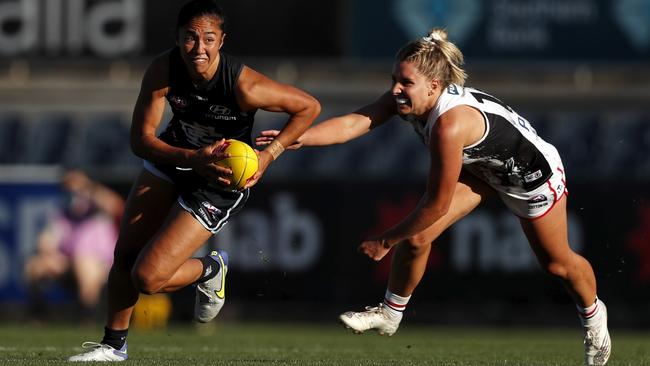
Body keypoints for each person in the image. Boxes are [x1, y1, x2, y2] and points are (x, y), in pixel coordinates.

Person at [257, 28, 610, 366]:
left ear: (434, 87)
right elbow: (355, 122)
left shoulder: (449, 126)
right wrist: (295, 139)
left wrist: (385, 240)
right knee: (418, 238)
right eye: (394, 79)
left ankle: (594, 317)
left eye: (405, 83)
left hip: (530, 177)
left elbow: (436, 204)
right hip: (484, 168)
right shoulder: (411, 99)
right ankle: (390, 315)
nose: (395, 89)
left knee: (557, 264)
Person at [67, 0, 320, 362]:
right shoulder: (162, 69)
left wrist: (269, 155)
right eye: (190, 38)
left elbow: (309, 106)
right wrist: (191, 158)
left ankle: (210, 268)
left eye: (209, 39)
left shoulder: (244, 84)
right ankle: (113, 346)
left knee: (149, 279)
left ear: (222, 41)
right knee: (124, 253)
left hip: (220, 180)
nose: (199, 48)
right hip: (176, 157)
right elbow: (140, 141)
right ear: (177, 37)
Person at [24, 169, 124, 320]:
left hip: (101, 265)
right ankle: (38, 314)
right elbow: (48, 241)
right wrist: (46, 249)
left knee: (83, 262)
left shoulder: (99, 212)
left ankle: (88, 315)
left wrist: (87, 186)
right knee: (34, 265)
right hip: (69, 263)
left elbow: (116, 205)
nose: (73, 192)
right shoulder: (63, 215)